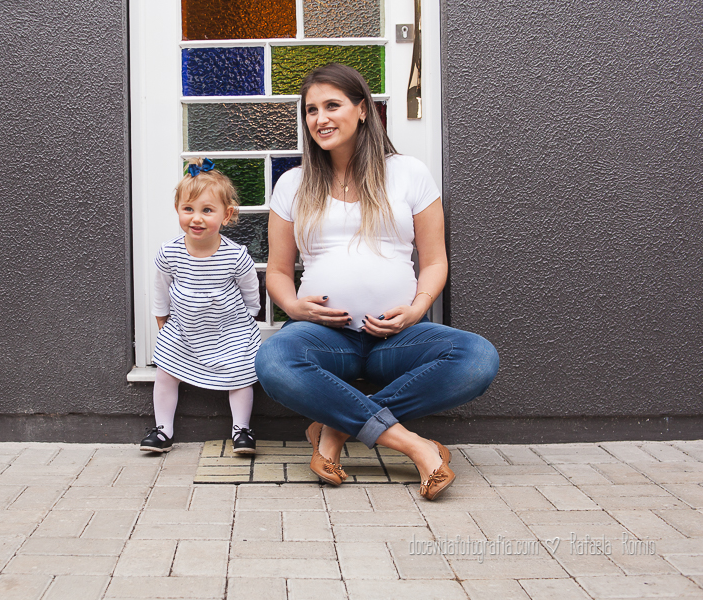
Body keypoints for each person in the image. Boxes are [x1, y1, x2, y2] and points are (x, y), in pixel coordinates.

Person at [255, 64, 499, 500]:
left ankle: (333, 430)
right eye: (311, 110)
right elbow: (277, 271)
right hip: (326, 338)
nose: (320, 118)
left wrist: (418, 307)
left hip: (397, 338)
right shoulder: (292, 184)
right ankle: (415, 447)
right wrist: (292, 307)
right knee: (274, 358)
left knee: (478, 357)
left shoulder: (408, 173)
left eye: (332, 105)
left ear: (363, 109)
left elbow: (435, 260)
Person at [140, 158, 262, 455]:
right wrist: (162, 320)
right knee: (166, 370)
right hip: (185, 330)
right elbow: (160, 288)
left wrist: (249, 318)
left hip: (229, 330)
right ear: (178, 210)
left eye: (207, 210)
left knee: (241, 373)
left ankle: (241, 429)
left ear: (227, 214)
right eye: (188, 209)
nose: (196, 218)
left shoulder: (235, 255)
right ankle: (163, 429)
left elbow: (251, 290)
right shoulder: (170, 252)